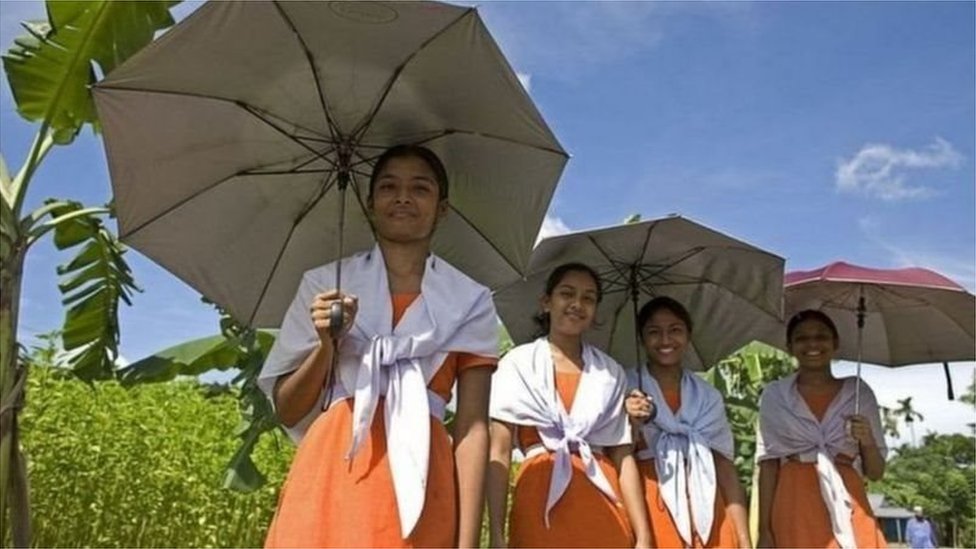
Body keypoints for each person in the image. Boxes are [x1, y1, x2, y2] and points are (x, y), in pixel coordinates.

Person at [257, 145, 499, 548]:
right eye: (389, 186)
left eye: (420, 188)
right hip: (334, 467)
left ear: (442, 209)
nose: (402, 197)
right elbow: (287, 407)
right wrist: (326, 344)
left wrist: (469, 541)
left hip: (425, 476)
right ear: (370, 205)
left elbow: (473, 426)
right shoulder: (324, 286)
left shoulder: (470, 300)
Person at [486, 263, 652, 548]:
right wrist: (497, 535)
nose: (577, 304)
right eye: (567, 294)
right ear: (546, 302)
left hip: (604, 505)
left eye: (588, 298)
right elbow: (499, 453)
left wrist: (644, 537)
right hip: (538, 500)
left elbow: (623, 459)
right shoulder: (517, 364)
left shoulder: (610, 373)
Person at [624, 296, 751, 548]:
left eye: (675, 330)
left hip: (706, 501)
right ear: (641, 339)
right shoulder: (626, 387)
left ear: (688, 335)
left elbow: (725, 467)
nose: (665, 340)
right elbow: (616, 457)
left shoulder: (706, 395)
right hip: (650, 500)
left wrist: (744, 539)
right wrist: (632, 422)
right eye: (654, 332)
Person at [757, 309, 888, 549]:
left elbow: (876, 472)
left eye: (821, 336)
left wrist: (867, 440)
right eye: (802, 338)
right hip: (793, 501)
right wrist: (764, 531)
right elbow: (768, 464)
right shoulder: (775, 395)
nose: (812, 344)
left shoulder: (857, 393)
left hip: (849, 500)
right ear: (789, 346)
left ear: (835, 343)